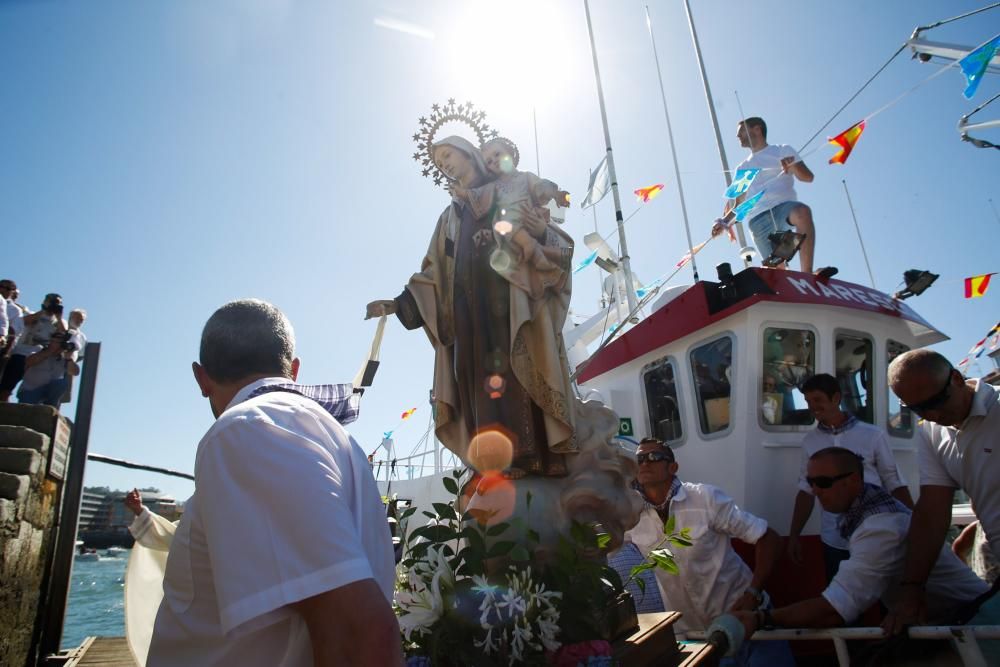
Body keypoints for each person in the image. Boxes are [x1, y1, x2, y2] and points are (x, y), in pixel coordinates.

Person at [147, 299, 400, 666]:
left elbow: (359, 632)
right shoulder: (328, 436)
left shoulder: (248, 430)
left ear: (201, 378)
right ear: (292, 370)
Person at [365, 135, 576, 477]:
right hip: (464, 306)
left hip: (507, 297)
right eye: (438, 162)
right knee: (472, 377)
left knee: (515, 366)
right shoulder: (450, 216)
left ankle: (534, 456)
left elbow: (550, 238)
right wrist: (399, 303)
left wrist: (539, 232)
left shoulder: (506, 188)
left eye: (448, 154)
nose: (445, 164)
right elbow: (434, 270)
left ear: (469, 153)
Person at [734, 448, 988, 657]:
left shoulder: (880, 527)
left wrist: (760, 618)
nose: (815, 491)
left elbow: (835, 609)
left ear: (854, 480)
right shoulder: (867, 512)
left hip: (974, 624)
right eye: (811, 482)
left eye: (823, 482)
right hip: (944, 624)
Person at [624, 438, 793, 666]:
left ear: (673, 467)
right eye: (640, 459)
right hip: (696, 637)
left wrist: (754, 592)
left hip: (745, 620)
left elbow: (767, 537)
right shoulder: (629, 516)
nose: (645, 463)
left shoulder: (705, 499)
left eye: (654, 457)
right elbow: (603, 546)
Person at [885, 349, 1000, 639]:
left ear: (957, 379)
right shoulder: (931, 434)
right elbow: (932, 513)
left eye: (936, 402)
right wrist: (912, 590)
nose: (933, 414)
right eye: (918, 410)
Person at [787, 373, 913, 582]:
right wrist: (794, 535)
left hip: (876, 535)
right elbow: (806, 490)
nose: (812, 406)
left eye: (817, 399)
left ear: (836, 398)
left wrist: (914, 525)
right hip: (834, 540)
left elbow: (894, 482)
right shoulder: (810, 441)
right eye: (808, 401)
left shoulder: (873, 435)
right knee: (841, 606)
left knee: (887, 600)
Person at [449, 136, 571, 299]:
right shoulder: (494, 186)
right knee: (502, 224)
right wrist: (461, 192)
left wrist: (556, 194)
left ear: (510, 153)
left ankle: (543, 257)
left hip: (528, 214)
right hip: (510, 224)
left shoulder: (526, 177)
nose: (494, 161)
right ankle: (534, 251)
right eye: (489, 162)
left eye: (497, 154)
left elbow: (541, 187)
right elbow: (478, 195)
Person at [711, 117, 820, 274]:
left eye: (741, 131)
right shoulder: (743, 167)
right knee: (777, 271)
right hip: (758, 221)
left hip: (784, 209)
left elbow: (808, 177)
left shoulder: (783, 150)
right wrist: (724, 222)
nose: (737, 136)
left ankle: (807, 274)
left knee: (802, 212)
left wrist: (793, 166)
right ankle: (782, 263)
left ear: (757, 129)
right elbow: (739, 204)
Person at [2, 294, 66, 402]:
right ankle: (4, 395)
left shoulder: (60, 323)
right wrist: (43, 311)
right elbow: (21, 322)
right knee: (10, 378)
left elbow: (63, 334)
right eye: (52, 302)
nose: (54, 305)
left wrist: (58, 317)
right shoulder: (33, 315)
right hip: (21, 352)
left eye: (57, 303)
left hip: (41, 356)